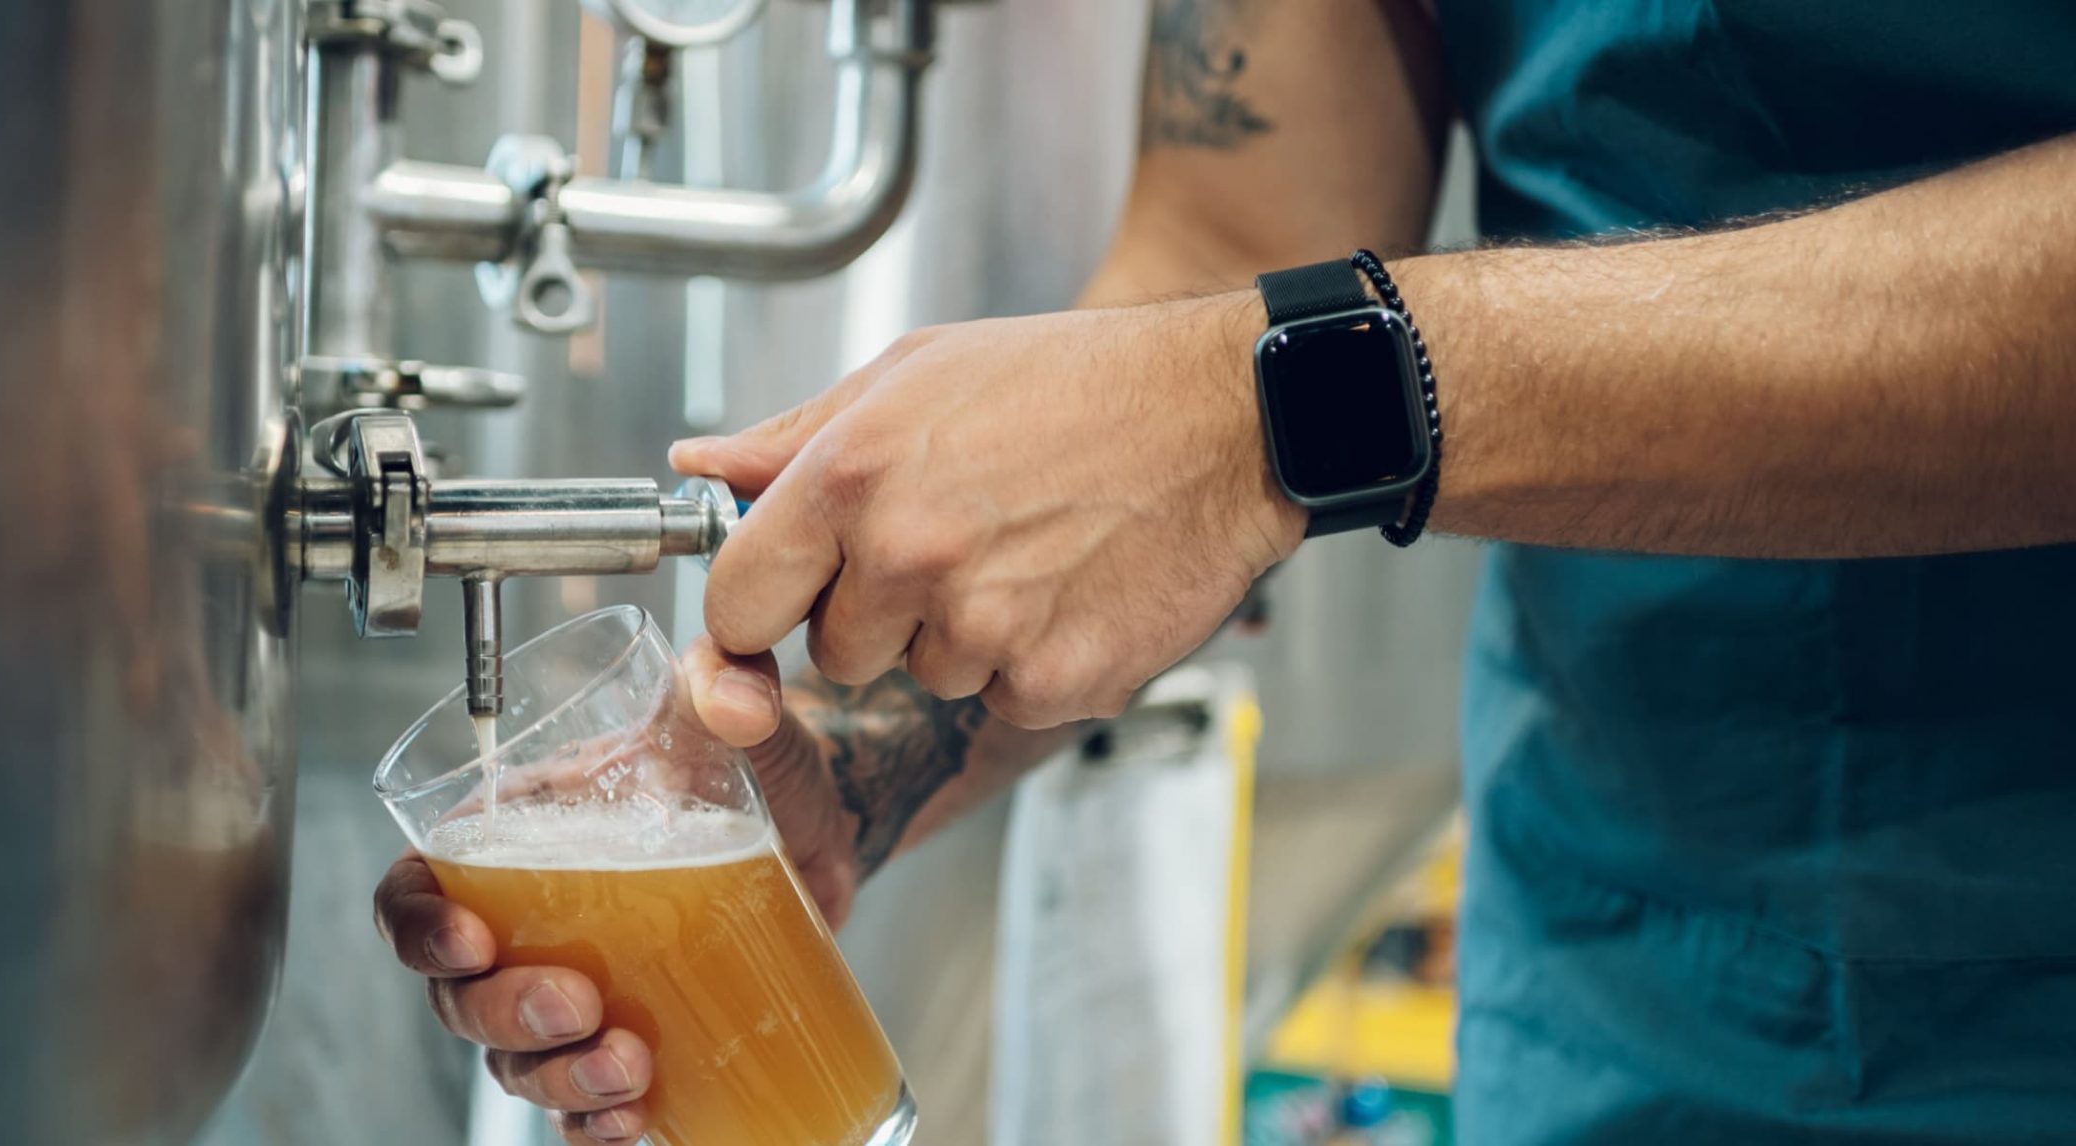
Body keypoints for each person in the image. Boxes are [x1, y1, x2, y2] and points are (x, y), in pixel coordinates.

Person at [377, 0, 2076, 1141]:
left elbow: (1245, 367)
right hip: (1626, 964)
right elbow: (1240, 220)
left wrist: (1282, 401)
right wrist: (856, 755)